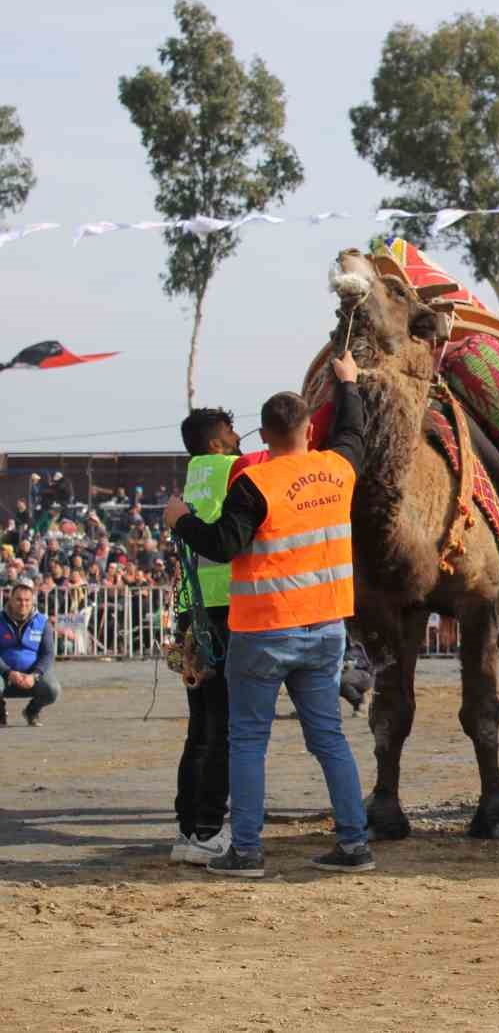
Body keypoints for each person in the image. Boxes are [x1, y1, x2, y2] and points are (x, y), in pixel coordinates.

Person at [164, 350, 375, 877]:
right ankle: (354, 845)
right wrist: (348, 384)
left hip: (263, 630)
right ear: (308, 430)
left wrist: (180, 520)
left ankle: (248, 851)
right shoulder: (338, 469)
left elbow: (223, 544)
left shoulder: (253, 484)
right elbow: (354, 431)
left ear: (262, 435)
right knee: (329, 739)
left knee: (248, 741)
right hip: (326, 630)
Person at [168, 406, 243, 867]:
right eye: (231, 432)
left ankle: (187, 827)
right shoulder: (233, 470)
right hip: (223, 612)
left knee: (200, 730)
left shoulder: (195, 473)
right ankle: (211, 831)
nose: (239, 438)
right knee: (223, 729)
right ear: (216, 442)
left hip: (190, 613)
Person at [1, 580, 59, 727]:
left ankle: (32, 711)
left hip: (32, 675)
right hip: (3, 674)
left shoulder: (42, 622)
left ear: (32, 601)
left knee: (52, 689)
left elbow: (48, 654)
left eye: (27, 600)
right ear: (10, 599)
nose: (23, 604)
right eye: (19, 599)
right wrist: (8, 672)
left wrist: (35, 675)